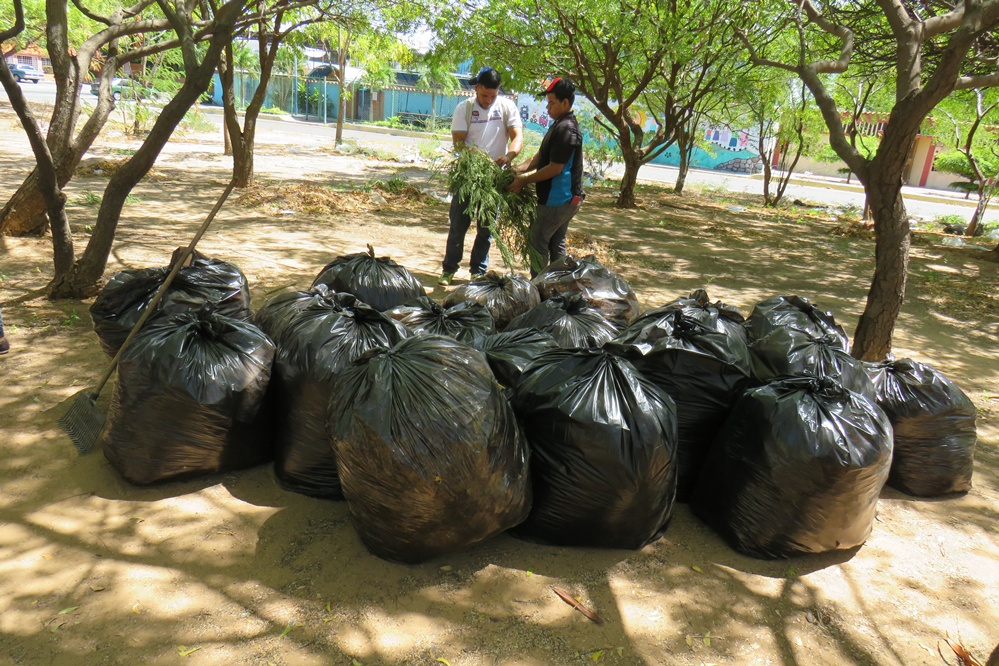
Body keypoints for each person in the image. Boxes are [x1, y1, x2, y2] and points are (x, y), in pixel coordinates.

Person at [439, 67, 524, 286]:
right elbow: (459, 143)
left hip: (493, 179)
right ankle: (449, 269)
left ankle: (478, 271)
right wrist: (478, 157)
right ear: (476, 88)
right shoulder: (464, 109)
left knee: (487, 228)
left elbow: (517, 137)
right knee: (458, 223)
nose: (488, 100)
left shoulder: (506, 107)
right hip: (468, 176)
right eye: (484, 95)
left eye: (493, 96)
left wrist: (510, 155)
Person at [507, 78, 584, 277]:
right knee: (555, 242)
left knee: (537, 241)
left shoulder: (566, 129)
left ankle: (540, 290)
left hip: (558, 200)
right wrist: (519, 169)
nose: (547, 108)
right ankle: (557, 289)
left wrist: (523, 181)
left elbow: (555, 168)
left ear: (565, 103)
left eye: (551, 103)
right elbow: (542, 156)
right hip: (566, 200)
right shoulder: (559, 124)